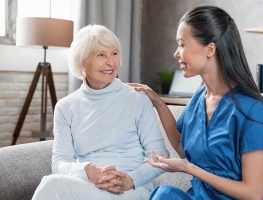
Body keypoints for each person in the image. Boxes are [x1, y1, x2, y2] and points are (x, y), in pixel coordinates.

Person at [128, 6, 263, 200]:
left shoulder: (252, 111)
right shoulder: (199, 98)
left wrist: (191, 169)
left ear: (210, 49)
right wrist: (157, 102)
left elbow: (253, 194)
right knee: (164, 195)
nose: (176, 53)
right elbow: (180, 145)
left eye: (182, 44)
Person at [32, 24, 169, 200]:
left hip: (132, 189)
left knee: (53, 186)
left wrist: (130, 179)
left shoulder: (137, 99)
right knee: (53, 183)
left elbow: (160, 156)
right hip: (88, 186)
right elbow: (59, 163)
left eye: (114, 53)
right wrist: (87, 171)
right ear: (82, 62)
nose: (111, 62)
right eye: (101, 55)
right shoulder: (66, 107)